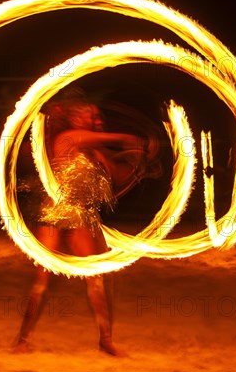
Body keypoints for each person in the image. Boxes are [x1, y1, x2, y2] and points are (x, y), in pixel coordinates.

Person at [13, 89, 160, 356]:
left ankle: (106, 340)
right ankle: (23, 339)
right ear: (76, 118)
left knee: (98, 276)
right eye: (91, 116)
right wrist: (136, 139)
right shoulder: (67, 139)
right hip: (55, 211)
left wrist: (140, 165)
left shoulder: (97, 152)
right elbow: (119, 138)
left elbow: (118, 179)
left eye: (97, 116)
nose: (97, 120)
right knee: (43, 279)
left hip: (83, 213)